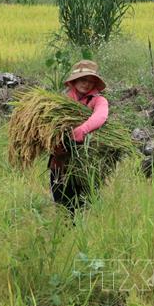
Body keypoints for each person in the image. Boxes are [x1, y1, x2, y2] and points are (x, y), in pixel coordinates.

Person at [49, 60, 109, 213]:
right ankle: (64, 234)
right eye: (83, 79)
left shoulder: (98, 100)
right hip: (60, 162)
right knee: (62, 206)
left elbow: (100, 117)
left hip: (86, 163)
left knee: (84, 206)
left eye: (90, 81)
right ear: (74, 81)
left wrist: (81, 131)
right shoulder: (61, 101)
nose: (86, 84)